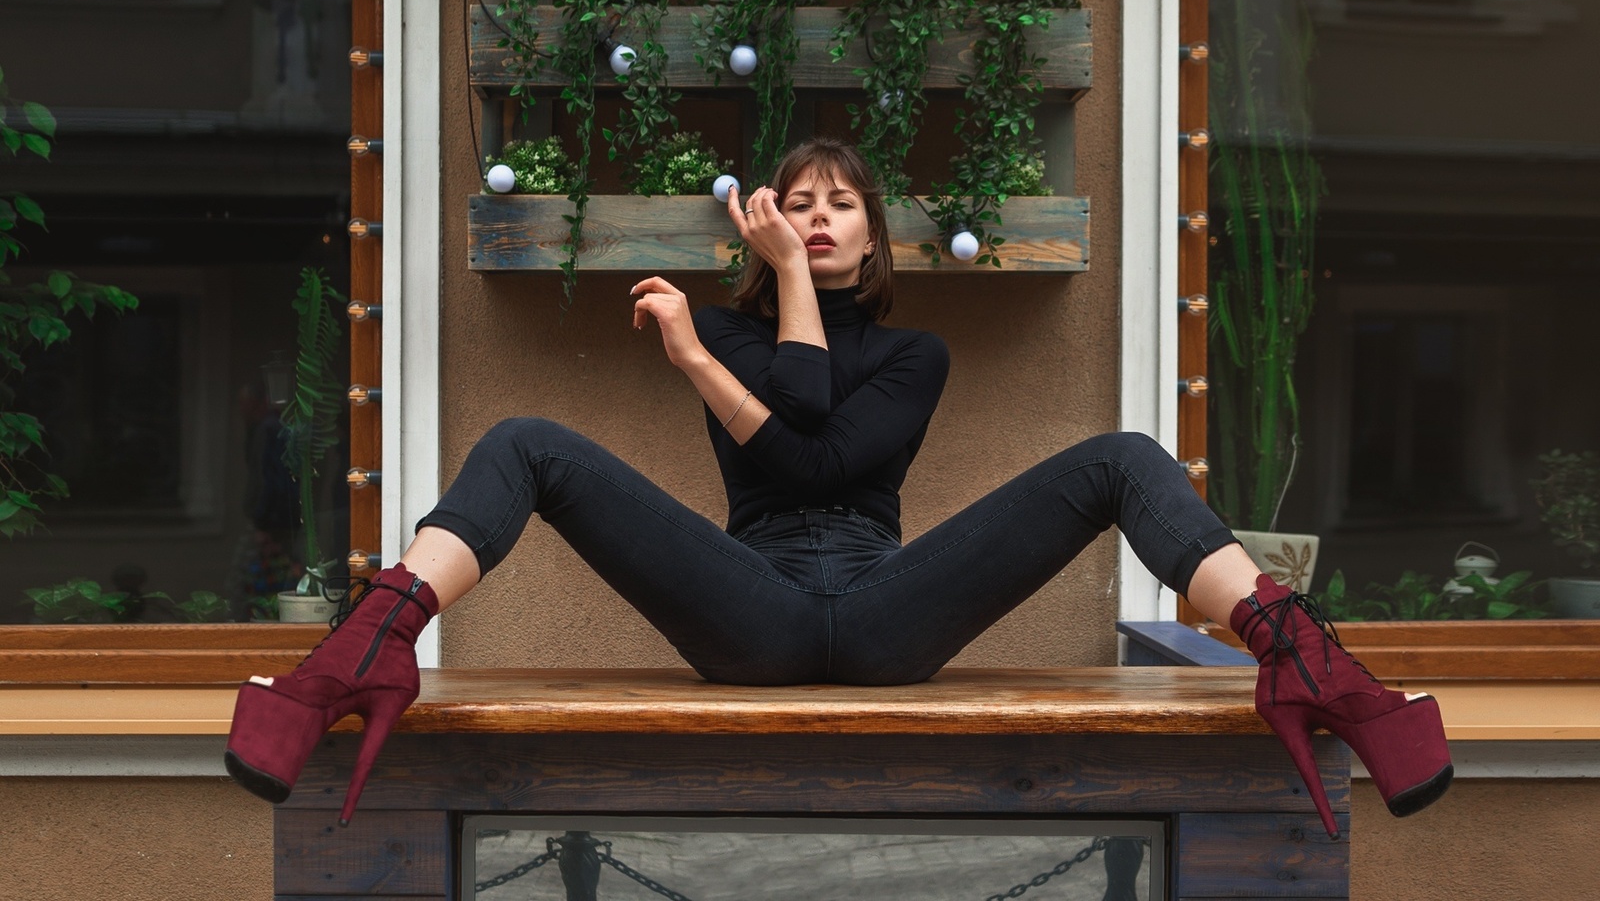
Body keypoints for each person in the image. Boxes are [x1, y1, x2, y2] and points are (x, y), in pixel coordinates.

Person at [223, 136, 1451, 837]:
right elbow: (791, 434)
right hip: (745, 614)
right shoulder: (746, 336)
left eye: (840, 204)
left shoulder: (914, 354)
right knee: (530, 438)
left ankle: (1312, 665)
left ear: (876, 238)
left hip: (884, 614)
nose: (816, 218)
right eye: (796, 204)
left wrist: (697, 356)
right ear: (763, 227)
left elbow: (818, 452)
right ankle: (367, 647)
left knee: (1124, 456)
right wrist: (725, 341)